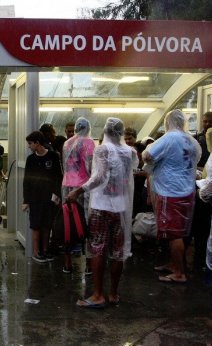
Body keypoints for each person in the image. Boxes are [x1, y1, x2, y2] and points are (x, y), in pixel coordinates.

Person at [68, 117, 137, 308]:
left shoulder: (102, 149)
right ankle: (113, 293)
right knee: (117, 251)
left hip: (101, 207)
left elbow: (99, 177)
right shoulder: (129, 151)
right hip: (121, 208)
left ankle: (98, 294)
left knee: (97, 248)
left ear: (105, 131)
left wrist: (78, 190)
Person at [142, 110, 200, 283]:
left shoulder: (170, 138)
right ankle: (174, 264)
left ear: (168, 122)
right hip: (187, 190)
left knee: (174, 234)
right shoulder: (191, 140)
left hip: (171, 192)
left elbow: (149, 156)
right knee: (179, 232)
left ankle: (179, 273)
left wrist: (146, 153)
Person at [61, 117, 95, 274]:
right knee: (86, 222)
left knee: (68, 223)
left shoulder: (66, 143)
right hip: (82, 187)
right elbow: (90, 165)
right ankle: (88, 264)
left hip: (66, 185)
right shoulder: (88, 142)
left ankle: (67, 263)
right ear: (88, 128)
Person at [22, 131, 62, 263]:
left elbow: (58, 177)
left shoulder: (53, 156)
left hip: (49, 197)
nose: (29, 146)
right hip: (35, 198)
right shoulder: (31, 159)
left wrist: (57, 194)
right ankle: (36, 252)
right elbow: (26, 181)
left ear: (37, 143)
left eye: (30, 143)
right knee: (36, 226)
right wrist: (26, 200)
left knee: (47, 226)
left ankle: (45, 250)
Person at [190, 111, 212, 271]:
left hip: (205, 193)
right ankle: (200, 257)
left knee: (204, 228)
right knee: (201, 228)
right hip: (202, 187)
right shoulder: (198, 138)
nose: (206, 125)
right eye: (204, 122)